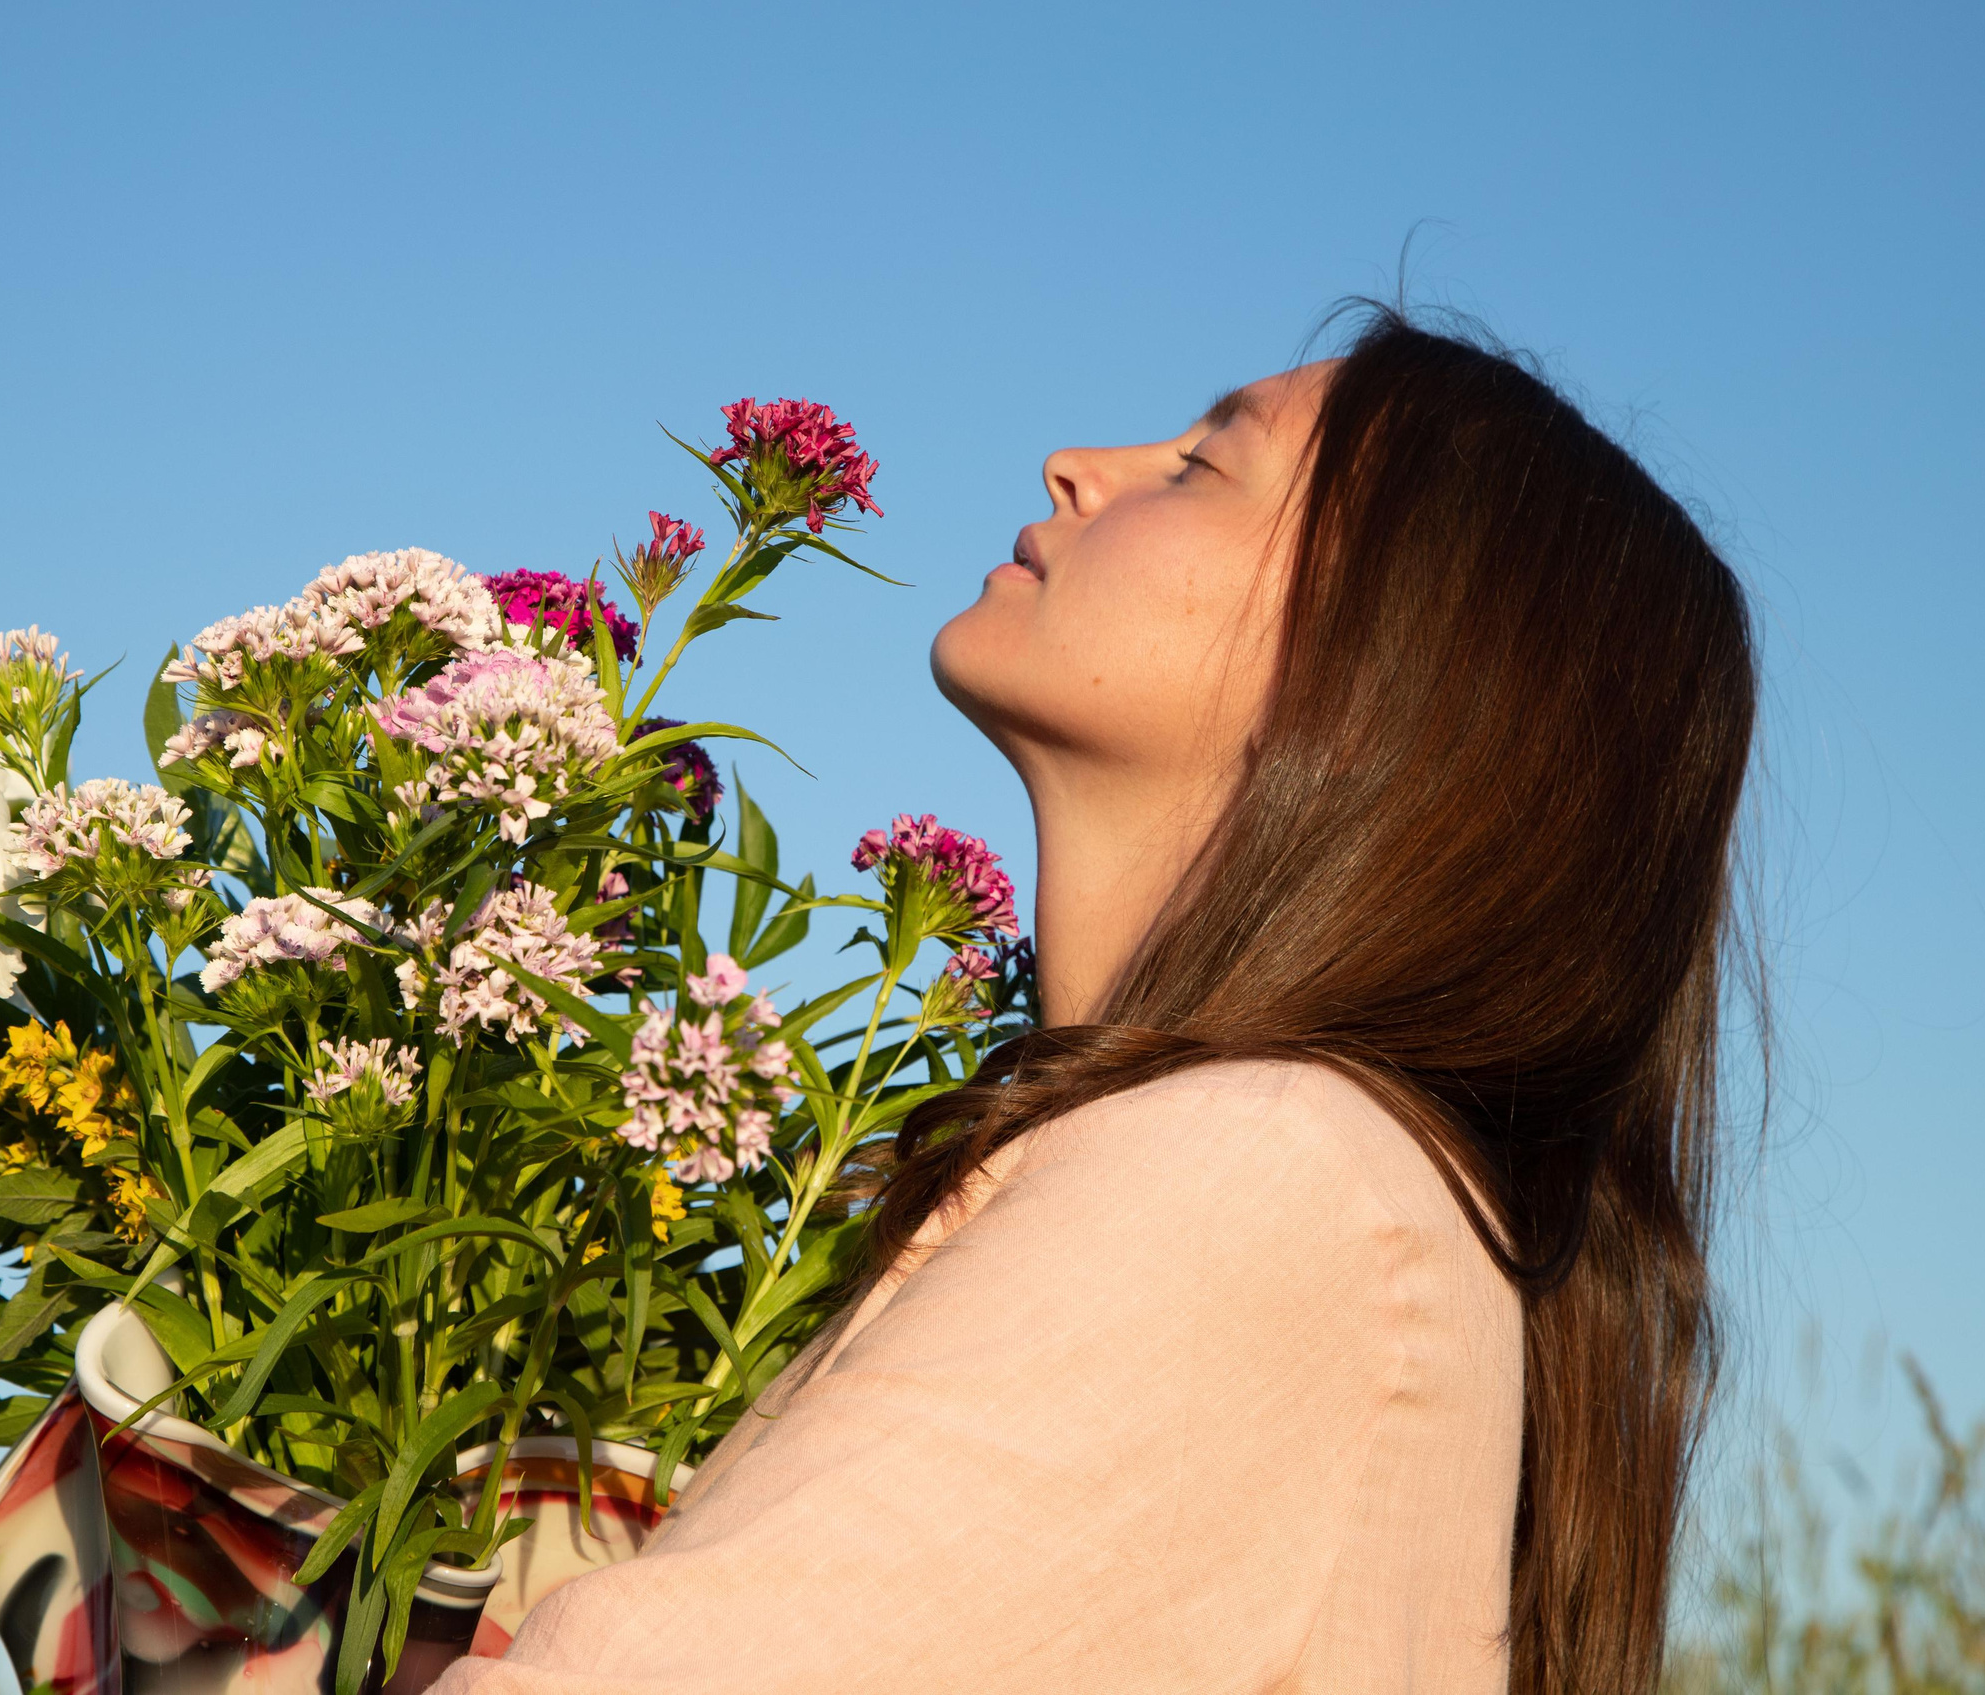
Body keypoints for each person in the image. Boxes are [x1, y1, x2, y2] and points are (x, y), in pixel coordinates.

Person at [434, 306, 1758, 1695]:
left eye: (1202, 465)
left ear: (1374, 672)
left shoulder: (1265, 1173)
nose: (1076, 463)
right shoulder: (1317, 1178)